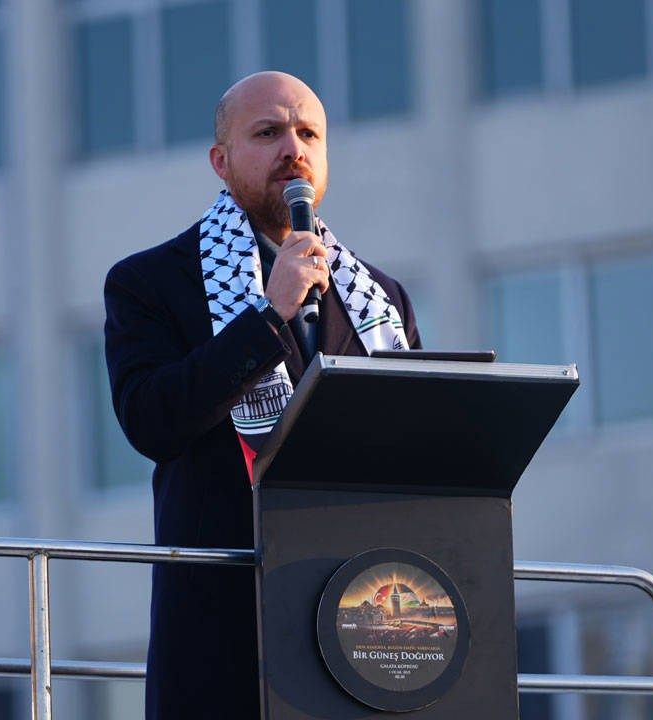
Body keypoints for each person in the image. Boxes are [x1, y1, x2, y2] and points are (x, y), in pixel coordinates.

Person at [103, 71, 422, 719]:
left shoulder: (379, 300)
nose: (293, 149)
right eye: (269, 132)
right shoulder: (150, 283)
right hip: (226, 632)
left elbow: (418, 444)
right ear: (221, 162)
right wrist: (269, 316)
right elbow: (151, 421)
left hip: (361, 626)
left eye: (308, 134)